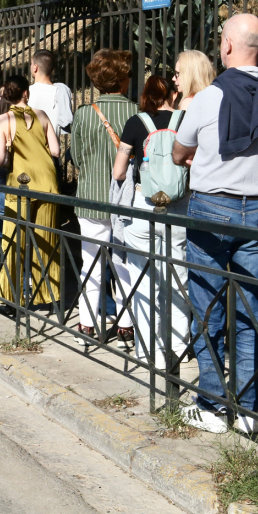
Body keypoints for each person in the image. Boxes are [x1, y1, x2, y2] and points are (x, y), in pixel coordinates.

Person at [172, 13, 258, 435]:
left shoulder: (207, 98)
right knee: (252, 310)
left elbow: (177, 152)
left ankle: (209, 403)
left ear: (226, 46)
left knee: (206, 306)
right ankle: (247, 409)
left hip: (211, 207)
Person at [114, 75, 190, 359]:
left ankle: (149, 349)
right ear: (172, 94)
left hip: (143, 207)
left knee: (143, 278)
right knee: (178, 277)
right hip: (180, 206)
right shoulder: (184, 121)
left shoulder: (136, 123)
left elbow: (118, 172)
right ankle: (180, 346)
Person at [70, 49, 137, 346]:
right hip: (125, 200)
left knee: (90, 260)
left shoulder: (84, 113)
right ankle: (126, 324)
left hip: (91, 196)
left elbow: (77, 156)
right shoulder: (136, 111)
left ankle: (87, 324)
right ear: (123, 79)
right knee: (124, 261)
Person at [0, 75, 61, 312]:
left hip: (21, 184)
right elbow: (57, 151)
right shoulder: (42, 114)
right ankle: (49, 296)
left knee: (14, 241)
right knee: (47, 239)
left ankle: (12, 299)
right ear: (25, 93)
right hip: (47, 181)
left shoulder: (2, 120)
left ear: (6, 95)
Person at [29, 49, 74, 135]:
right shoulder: (61, 91)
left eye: (31, 64)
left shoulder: (27, 92)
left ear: (35, 67)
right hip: (53, 146)